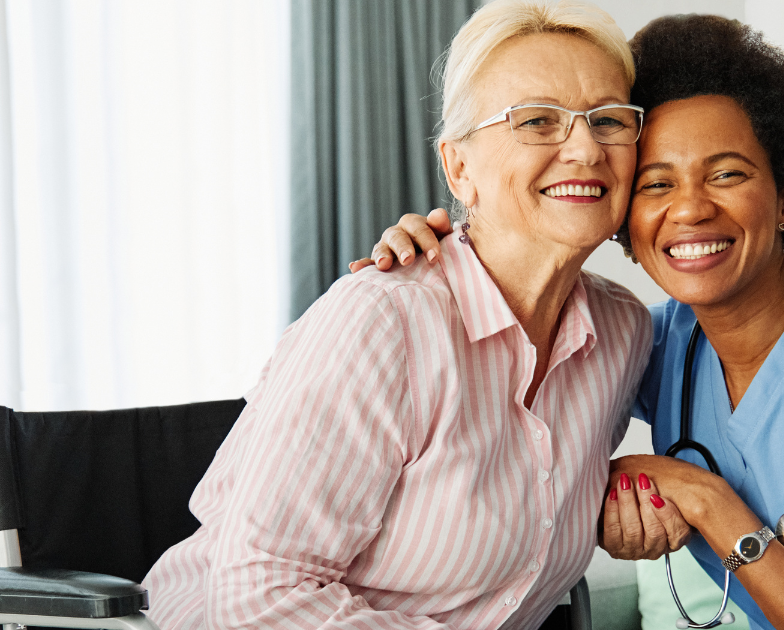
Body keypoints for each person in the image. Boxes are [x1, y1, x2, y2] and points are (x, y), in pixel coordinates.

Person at [354, 13, 784, 630]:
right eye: (657, 184)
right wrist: (437, 253)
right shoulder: (654, 341)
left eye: (726, 174)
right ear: (625, 223)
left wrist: (705, 502)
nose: (691, 210)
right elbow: (521, 388)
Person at [141, 2, 692, 628]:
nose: (586, 148)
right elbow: (258, 594)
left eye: (609, 120)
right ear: (458, 167)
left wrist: (615, 504)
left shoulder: (624, 333)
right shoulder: (382, 322)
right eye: (537, 121)